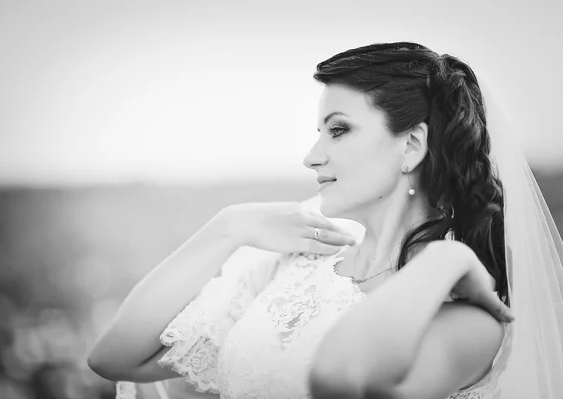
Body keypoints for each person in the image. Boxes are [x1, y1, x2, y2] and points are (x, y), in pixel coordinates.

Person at [88, 42, 563, 399]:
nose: (311, 157)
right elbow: (114, 357)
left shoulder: (468, 317)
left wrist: (446, 258)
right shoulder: (298, 265)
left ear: (412, 146)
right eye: (319, 132)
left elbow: (343, 380)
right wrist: (229, 226)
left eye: (339, 129)